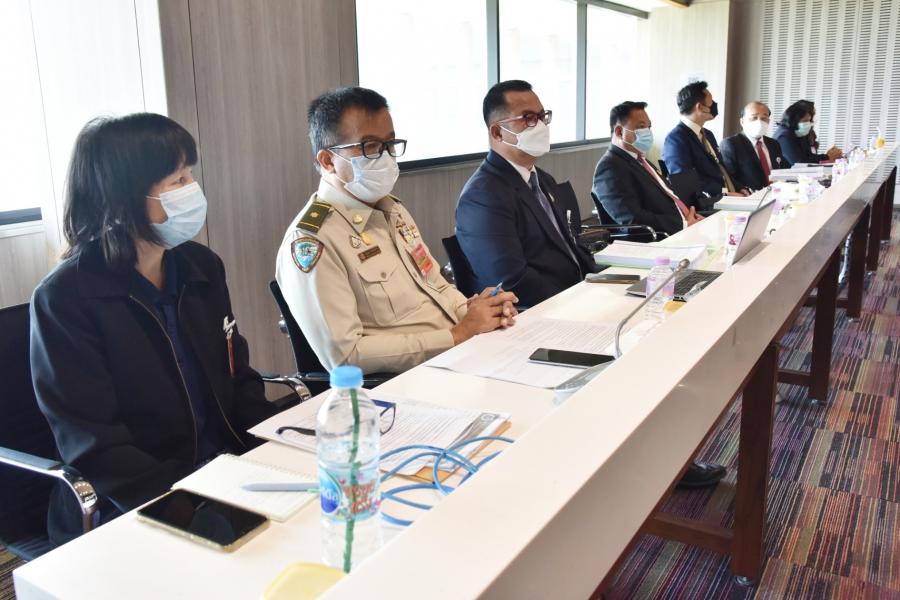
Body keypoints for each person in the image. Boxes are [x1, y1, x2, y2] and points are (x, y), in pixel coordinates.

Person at [30, 113, 280, 546]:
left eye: (190, 175)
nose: (192, 190)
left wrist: (278, 451)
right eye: (177, 180)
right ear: (123, 197)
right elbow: (95, 445)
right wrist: (191, 503)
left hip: (225, 475)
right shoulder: (67, 298)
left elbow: (237, 378)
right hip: (135, 501)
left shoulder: (201, 267)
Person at [276, 87, 517, 375]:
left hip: (456, 357)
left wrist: (478, 311)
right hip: (407, 382)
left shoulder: (392, 210)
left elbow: (437, 286)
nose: (385, 156)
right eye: (369, 146)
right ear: (328, 161)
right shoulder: (313, 240)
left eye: (389, 144)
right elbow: (345, 356)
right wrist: (456, 335)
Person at [455, 80, 600, 308]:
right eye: (528, 118)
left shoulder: (543, 179)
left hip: (580, 293)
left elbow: (570, 246)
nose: (539, 125)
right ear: (497, 132)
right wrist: (574, 301)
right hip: (545, 309)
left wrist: (599, 282)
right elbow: (512, 281)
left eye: (542, 116)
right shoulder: (483, 197)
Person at [592, 101, 702, 236]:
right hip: (662, 237)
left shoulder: (640, 160)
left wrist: (691, 217)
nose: (648, 132)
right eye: (641, 127)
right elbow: (633, 219)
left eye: (649, 127)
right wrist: (684, 224)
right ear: (619, 132)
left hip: (684, 227)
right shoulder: (609, 168)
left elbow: (668, 197)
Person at [662, 81, 748, 205]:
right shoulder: (675, 140)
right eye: (711, 102)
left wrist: (740, 188)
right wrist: (724, 193)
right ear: (700, 107)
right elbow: (686, 183)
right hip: (708, 204)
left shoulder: (708, 134)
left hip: (729, 197)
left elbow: (721, 168)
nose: (714, 105)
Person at [720, 101, 787, 191]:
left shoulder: (774, 143)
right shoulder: (731, 144)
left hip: (776, 194)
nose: (759, 122)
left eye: (764, 118)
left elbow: (782, 171)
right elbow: (729, 179)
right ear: (742, 121)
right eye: (754, 118)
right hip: (748, 196)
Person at [773, 100, 842, 166]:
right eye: (805, 121)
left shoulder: (800, 133)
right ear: (794, 120)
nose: (809, 123)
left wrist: (828, 156)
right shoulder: (784, 136)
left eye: (809, 120)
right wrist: (827, 157)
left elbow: (809, 156)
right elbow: (799, 162)